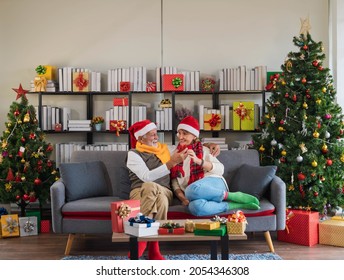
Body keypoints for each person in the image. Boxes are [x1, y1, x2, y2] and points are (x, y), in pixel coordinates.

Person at [126, 119, 219, 260]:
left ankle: (142, 241)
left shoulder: (165, 149)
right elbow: (146, 177)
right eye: (152, 135)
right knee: (154, 191)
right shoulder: (133, 154)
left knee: (158, 192)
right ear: (140, 137)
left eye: (156, 133)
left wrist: (208, 144)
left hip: (164, 189)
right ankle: (154, 250)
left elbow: (188, 143)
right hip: (140, 191)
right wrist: (172, 162)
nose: (156, 137)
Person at [171, 116, 260, 217]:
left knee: (190, 190)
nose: (180, 137)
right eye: (179, 133)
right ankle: (234, 205)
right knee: (195, 207)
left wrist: (199, 161)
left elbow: (220, 169)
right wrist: (183, 199)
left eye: (185, 133)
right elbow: (175, 182)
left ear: (194, 136)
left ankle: (233, 196)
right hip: (196, 194)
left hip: (214, 183)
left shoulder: (204, 149)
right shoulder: (174, 154)